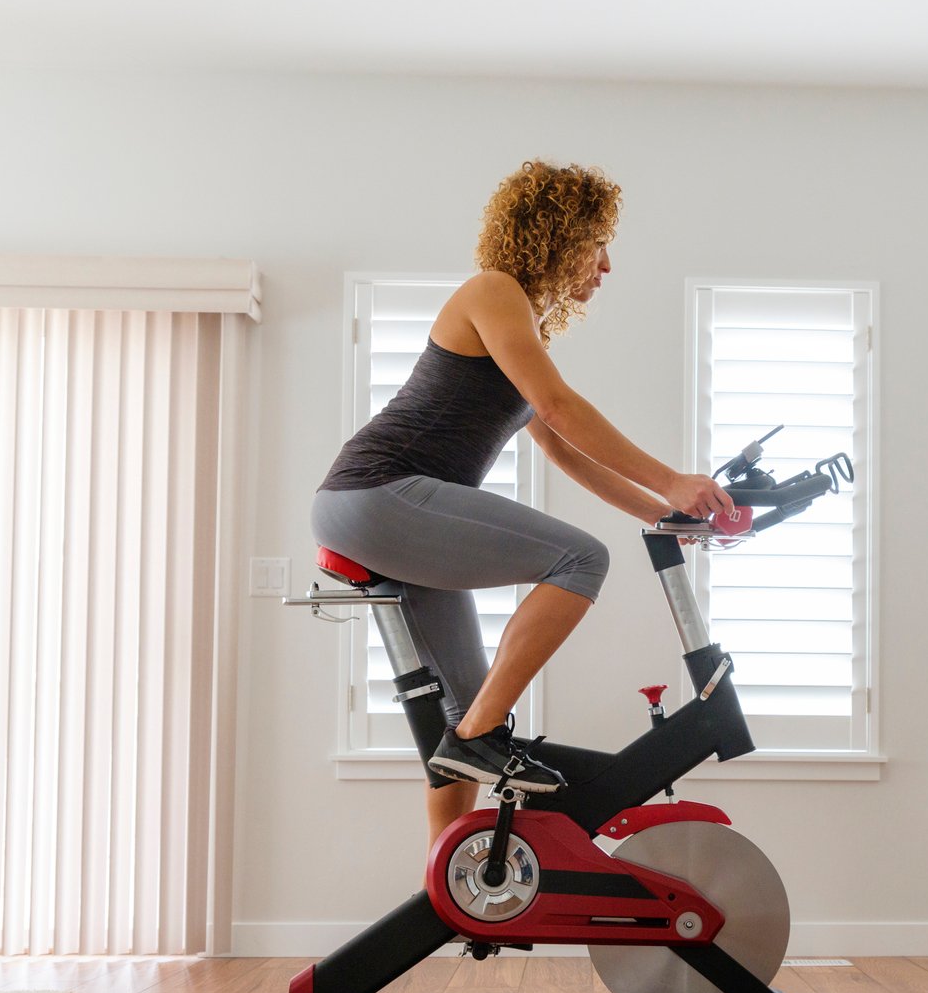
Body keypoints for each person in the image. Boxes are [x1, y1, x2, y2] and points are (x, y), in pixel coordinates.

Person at [311, 161, 735, 849]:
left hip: (390, 510)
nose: (606, 266)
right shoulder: (492, 291)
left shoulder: (521, 322)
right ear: (557, 234)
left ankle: (445, 886)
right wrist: (670, 480)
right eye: (597, 242)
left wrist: (659, 513)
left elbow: (561, 449)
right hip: (376, 493)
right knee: (579, 559)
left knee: (463, 714)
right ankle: (479, 737)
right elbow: (558, 408)